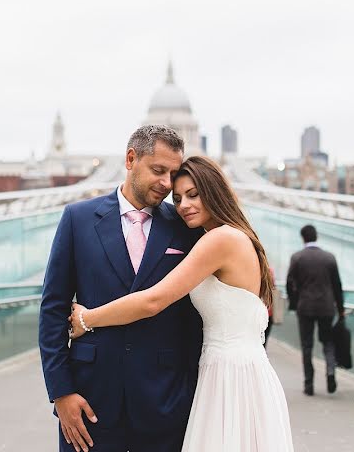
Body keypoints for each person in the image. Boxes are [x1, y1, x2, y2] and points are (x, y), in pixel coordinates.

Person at [70, 156, 294, 452]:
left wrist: (88, 319)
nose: (184, 205)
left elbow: (155, 300)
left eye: (193, 194)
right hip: (236, 371)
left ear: (214, 191)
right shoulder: (232, 236)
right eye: (177, 199)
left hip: (231, 377)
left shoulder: (221, 240)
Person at [39, 125, 203, 452]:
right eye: (158, 170)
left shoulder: (184, 227)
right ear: (131, 159)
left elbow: (194, 318)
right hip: (88, 400)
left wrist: (188, 393)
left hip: (165, 403)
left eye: (172, 174)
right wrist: (61, 394)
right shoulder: (78, 218)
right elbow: (53, 310)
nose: (166, 183)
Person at [285, 224, 345, 396]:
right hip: (327, 307)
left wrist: (295, 302)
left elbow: (290, 283)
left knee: (307, 345)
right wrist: (341, 309)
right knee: (328, 342)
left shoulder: (297, 258)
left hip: (305, 307)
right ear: (316, 236)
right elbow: (337, 286)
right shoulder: (329, 258)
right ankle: (331, 372)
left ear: (303, 238)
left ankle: (309, 384)